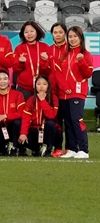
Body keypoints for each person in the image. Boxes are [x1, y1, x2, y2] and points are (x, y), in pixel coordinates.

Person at [54, 26, 92, 159]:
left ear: (81, 38)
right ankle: (72, 148)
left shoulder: (86, 54)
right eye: (70, 37)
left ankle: (83, 149)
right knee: (68, 121)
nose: (72, 39)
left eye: (75, 36)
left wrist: (81, 61)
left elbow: (87, 74)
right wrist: (64, 88)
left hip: (77, 92)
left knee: (77, 120)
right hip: (64, 93)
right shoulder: (65, 54)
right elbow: (58, 73)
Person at [0, 70, 25, 156]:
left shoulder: (18, 95)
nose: (2, 81)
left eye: (5, 79)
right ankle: (3, 147)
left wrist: (5, 116)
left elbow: (21, 113)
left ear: (9, 81)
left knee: (17, 122)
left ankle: (15, 147)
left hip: (13, 127)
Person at [19, 75, 59, 157]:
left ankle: (48, 149)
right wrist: (23, 133)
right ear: (35, 86)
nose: (41, 87)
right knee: (20, 128)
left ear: (48, 86)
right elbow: (26, 118)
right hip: (35, 129)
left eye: (44, 84)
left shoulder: (53, 98)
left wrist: (43, 101)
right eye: (38, 84)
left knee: (51, 124)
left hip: (47, 131)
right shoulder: (31, 99)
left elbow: (51, 115)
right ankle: (35, 149)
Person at [12, 21, 51, 99]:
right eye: (26, 32)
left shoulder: (45, 47)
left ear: (37, 31)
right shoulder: (19, 48)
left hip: (41, 88)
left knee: (41, 110)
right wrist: (21, 63)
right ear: (23, 34)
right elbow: (15, 70)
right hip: (24, 88)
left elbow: (48, 71)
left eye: (32, 31)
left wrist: (44, 61)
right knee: (23, 110)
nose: (29, 34)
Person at [49, 22, 68, 158]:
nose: (58, 35)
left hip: (67, 92)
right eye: (55, 32)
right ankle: (57, 147)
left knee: (69, 121)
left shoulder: (71, 50)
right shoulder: (49, 50)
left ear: (65, 33)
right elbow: (45, 71)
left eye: (60, 32)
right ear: (52, 35)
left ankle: (71, 147)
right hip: (53, 92)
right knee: (57, 121)